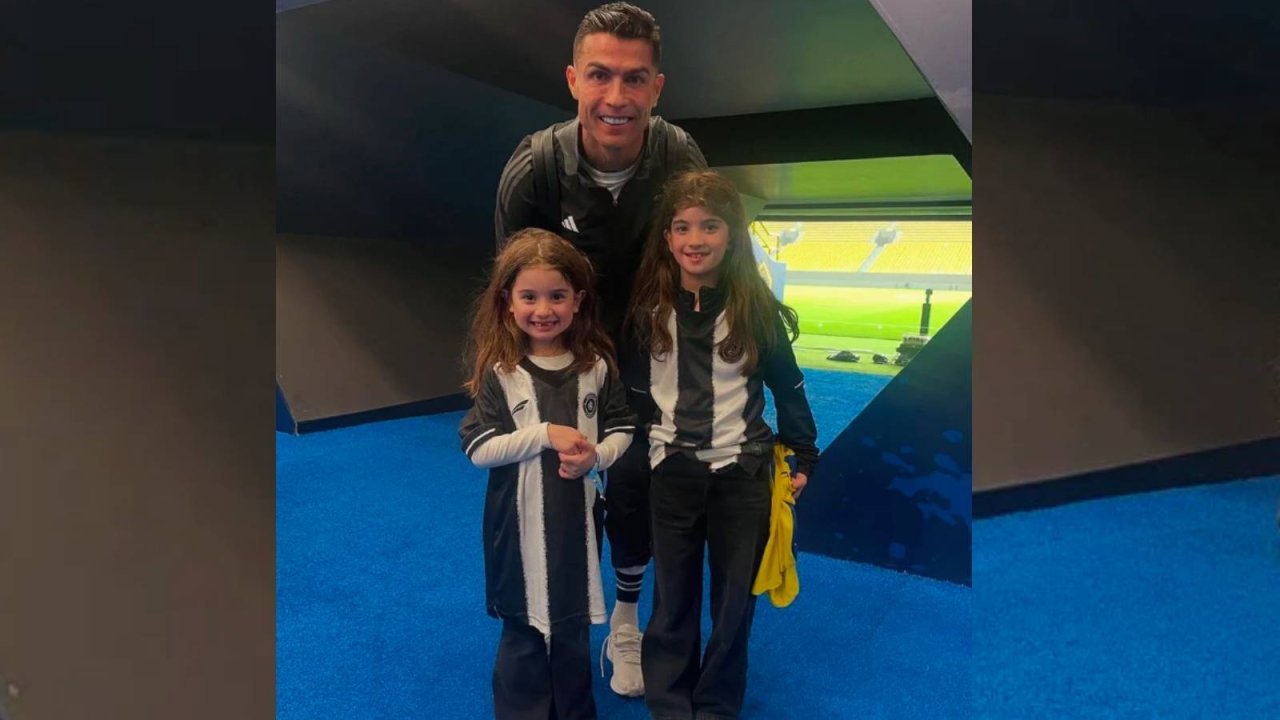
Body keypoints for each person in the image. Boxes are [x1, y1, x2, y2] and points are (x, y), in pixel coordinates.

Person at [494, 1, 707, 697]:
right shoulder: (535, 169)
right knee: (561, 485)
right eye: (600, 75)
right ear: (573, 80)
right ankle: (550, 613)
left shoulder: (678, 158)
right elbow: (513, 290)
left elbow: (703, 266)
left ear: (657, 87)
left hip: (648, 347)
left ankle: (624, 621)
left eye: (634, 78)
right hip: (568, 349)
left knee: (637, 484)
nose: (617, 96)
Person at [626, 170, 819, 720]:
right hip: (672, 474)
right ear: (667, 238)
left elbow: (789, 386)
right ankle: (670, 703)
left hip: (744, 475)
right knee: (672, 599)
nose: (696, 239)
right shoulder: (646, 311)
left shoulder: (755, 310)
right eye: (683, 227)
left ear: (731, 234)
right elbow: (633, 397)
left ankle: (715, 706)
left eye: (710, 226)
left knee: (735, 605)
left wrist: (804, 454)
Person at [459, 228, 637, 720]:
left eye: (557, 296)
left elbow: (622, 428)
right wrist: (543, 434)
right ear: (507, 302)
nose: (544, 309)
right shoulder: (502, 372)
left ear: (578, 301)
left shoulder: (596, 367)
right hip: (515, 531)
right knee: (523, 628)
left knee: (572, 624)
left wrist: (596, 456)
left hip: (577, 526)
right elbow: (478, 448)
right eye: (530, 297)